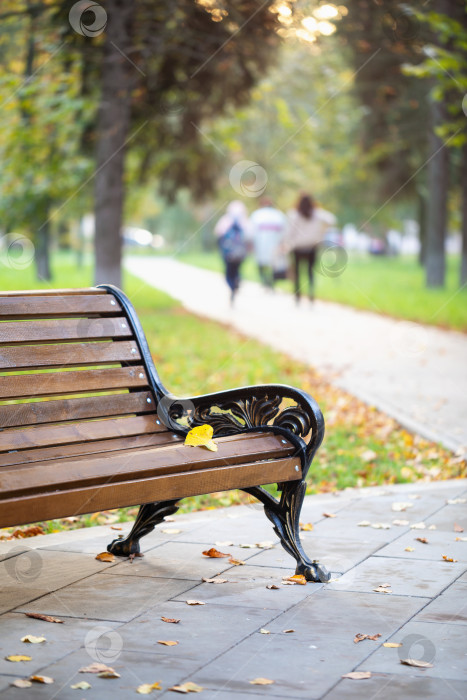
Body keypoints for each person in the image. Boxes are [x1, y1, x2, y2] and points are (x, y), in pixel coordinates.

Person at [286, 193, 336, 302]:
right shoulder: (317, 214)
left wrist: (288, 243)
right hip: (312, 247)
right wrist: (322, 232)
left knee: (297, 272)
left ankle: (297, 295)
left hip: (297, 247)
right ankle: (311, 294)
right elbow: (332, 219)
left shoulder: (294, 214)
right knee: (310, 272)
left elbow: (289, 232)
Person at [214, 201, 249, 304]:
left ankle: (232, 286)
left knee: (229, 272)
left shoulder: (225, 220)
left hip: (228, 253)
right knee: (237, 270)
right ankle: (237, 281)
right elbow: (250, 237)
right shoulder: (245, 221)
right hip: (241, 253)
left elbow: (218, 233)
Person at [249, 197, 287, 289]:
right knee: (273, 265)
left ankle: (266, 282)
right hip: (273, 245)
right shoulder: (279, 215)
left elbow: (250, 231)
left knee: (262, 264)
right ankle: (270, 283)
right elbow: (285, 231)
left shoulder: (256, 215)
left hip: (261, 245)